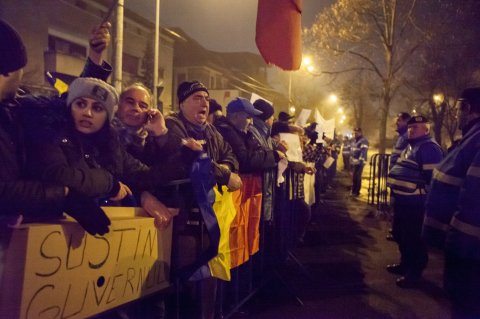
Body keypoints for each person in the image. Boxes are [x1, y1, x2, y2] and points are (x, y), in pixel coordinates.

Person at [0, 19, 112, 237]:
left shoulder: (14, 108)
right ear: (9, 70)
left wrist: (95, 60)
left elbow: (65, 105)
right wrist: (63, 195)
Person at [423, 88, 480, 318]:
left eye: (458, 109)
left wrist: (455, 240)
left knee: (466, 304)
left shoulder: (476, 140)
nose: (456, 115)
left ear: (468, 109)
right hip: (465, 246)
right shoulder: (471, 138)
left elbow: (473, 197)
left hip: (469, 249)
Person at [386, 115, 443, 288]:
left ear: (426, 129)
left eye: (416, 128)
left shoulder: (429, 148)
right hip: (404, 202)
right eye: (410, 128)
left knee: (414, 238)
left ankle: (414, 273)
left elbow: (432, 180)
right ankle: (405, 265)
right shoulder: (411, 146)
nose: (411, 130)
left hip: (416, 204)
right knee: (402, 235)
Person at [350, 127, 369, 197]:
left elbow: (363, 152)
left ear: (360, 133)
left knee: (357, 177)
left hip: (360, 162)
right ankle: (354, 190)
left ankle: (356, 191)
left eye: (356, 133)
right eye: (354, 133)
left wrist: (360, 161)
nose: (355, 134)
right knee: (354, 176)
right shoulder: (355, 141)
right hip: (355, 162)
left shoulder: (363, 141)